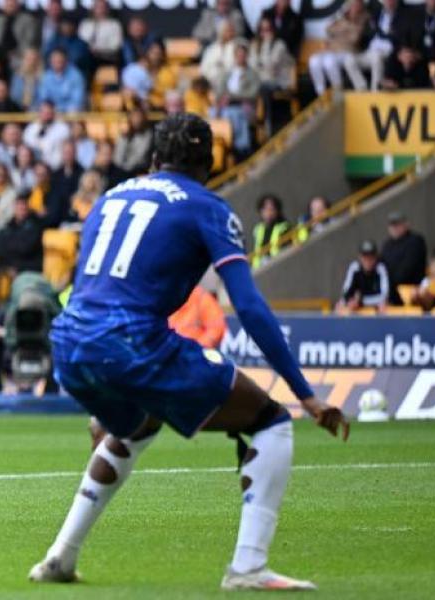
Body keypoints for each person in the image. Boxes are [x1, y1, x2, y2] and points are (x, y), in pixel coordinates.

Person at [28, 113, 347, 589]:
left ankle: (60, 557)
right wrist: (306, 394)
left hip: (69, 339)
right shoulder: (207, 206)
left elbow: (93, 286)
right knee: (271, 420)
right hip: (130, 341)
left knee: (137, 426)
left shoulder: (111, 197)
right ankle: (248, 568)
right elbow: (249, 307)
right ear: (209, 164)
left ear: (154, 158)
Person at [308, 0, 370, 95]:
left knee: (329, 62)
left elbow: (354, 38)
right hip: (332, 50)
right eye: (353, 4)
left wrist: (341, 29)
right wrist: (344, 29)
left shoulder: (364, 18)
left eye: (357, 4)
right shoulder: (341, 18)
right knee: (314, 60)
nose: (354, 7)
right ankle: (321, 93)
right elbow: (329, 29)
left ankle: (338, 93)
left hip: (348, 51)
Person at [379, 211, 427, 304]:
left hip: (412, 292)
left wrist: (389, 283)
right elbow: (381, 266)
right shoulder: (387, 245)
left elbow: (407, 269)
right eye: (392, 225)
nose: (394, 228)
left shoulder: (415, 241)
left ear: (406, 224)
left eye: (397, 224)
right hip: (391, 293)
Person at [0, 195, 45, 273]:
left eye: (23, 206)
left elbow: (25, 248)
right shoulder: (8, 226)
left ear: (28, 208)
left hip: (28, 268)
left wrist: (8, 244)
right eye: (19, 206)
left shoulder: (35, 226)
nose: (21, 209)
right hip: (8, 265)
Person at [337, 240, 390, 312]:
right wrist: (349, 301)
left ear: (375, 257)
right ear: (360, 257)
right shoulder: (354, 267)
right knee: (340, 305)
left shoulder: (380, 268)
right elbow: (345, 292)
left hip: (375, 309)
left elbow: (384, 296)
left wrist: (360, 301)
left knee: (383, 306)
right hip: (357, 308)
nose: (368, 261)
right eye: (365, 257)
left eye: (371, 257)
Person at [169, 285, 226, 349]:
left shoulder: (199, 296)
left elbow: (217, 328)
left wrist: (196, 348)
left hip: (195, 351)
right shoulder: (163, 295)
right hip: (168, 350)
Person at [35, 49, 86, 113]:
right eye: (54, 60)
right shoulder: (46, 76)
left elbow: (77, 101)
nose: (56, 62)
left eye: (59, 60)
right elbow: (43, 98)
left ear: (66, 61)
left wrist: (59, 109)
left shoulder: (76, 75)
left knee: (73, 111)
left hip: (69, 112)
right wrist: (50, 109)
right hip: (51, 112)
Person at [251, 194, 291, 267]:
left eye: (271, 209)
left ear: (277, 211)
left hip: (278, 264)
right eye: (265, 209)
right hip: (259, 267)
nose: (268, 213)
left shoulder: (284, 227)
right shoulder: (258, 229)